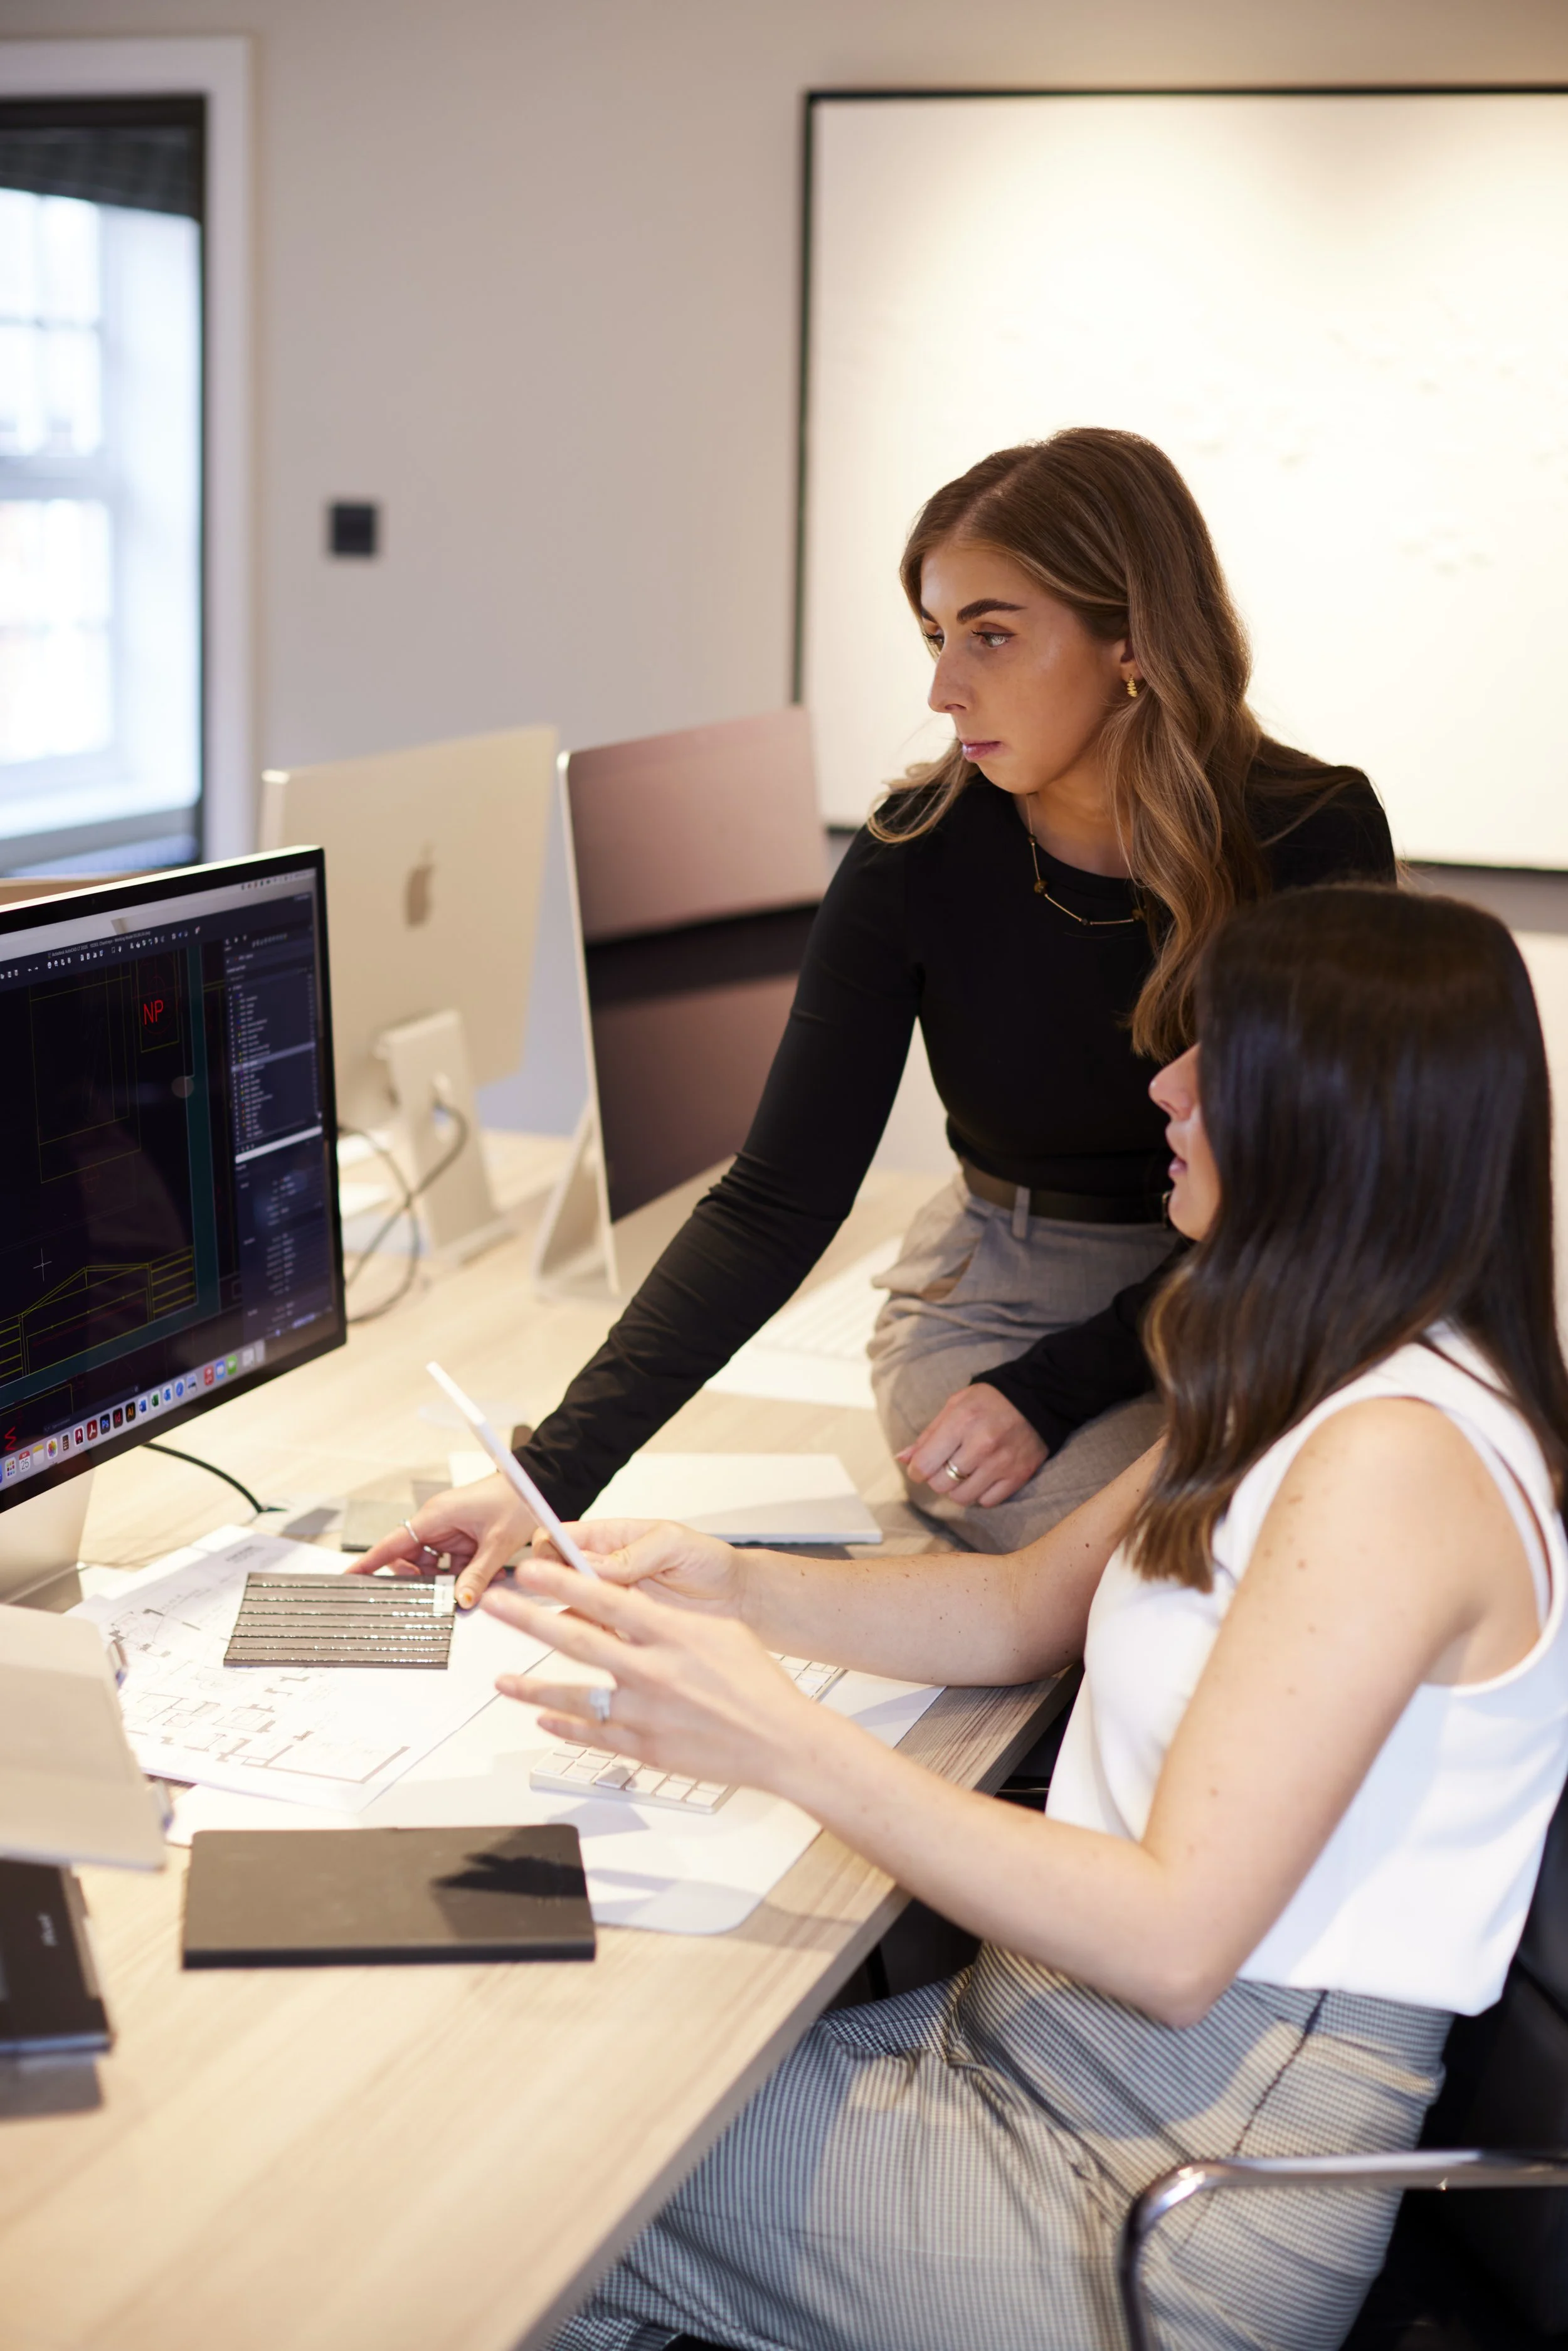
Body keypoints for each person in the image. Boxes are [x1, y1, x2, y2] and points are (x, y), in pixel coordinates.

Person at [485, 887, 1568, 2351]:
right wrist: (731, 1578)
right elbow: (1012, 1607)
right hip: (1036, 2069)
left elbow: (1179, 1937)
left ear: (1330, 1117)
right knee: (601, 2037)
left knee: (537, 2167)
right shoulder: (1308, 1376)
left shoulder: (1396, 1459)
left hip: (1152, 2201)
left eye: (1214, 1057)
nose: (1163, 1085)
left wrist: (784, 1737)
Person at [359, 428, 1394, 1602]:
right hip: (1004, 1307)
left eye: (991, 635)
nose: (944, 689)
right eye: (937, 636)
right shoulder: (918, 853)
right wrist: (547, 1473)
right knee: (1193, 1579)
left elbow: (1326, 1190)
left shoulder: (1309, 830)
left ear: (1134, 640)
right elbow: (775, 1200)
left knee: (1349, 1549)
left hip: (1255, 1288)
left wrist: (1059, 1388)